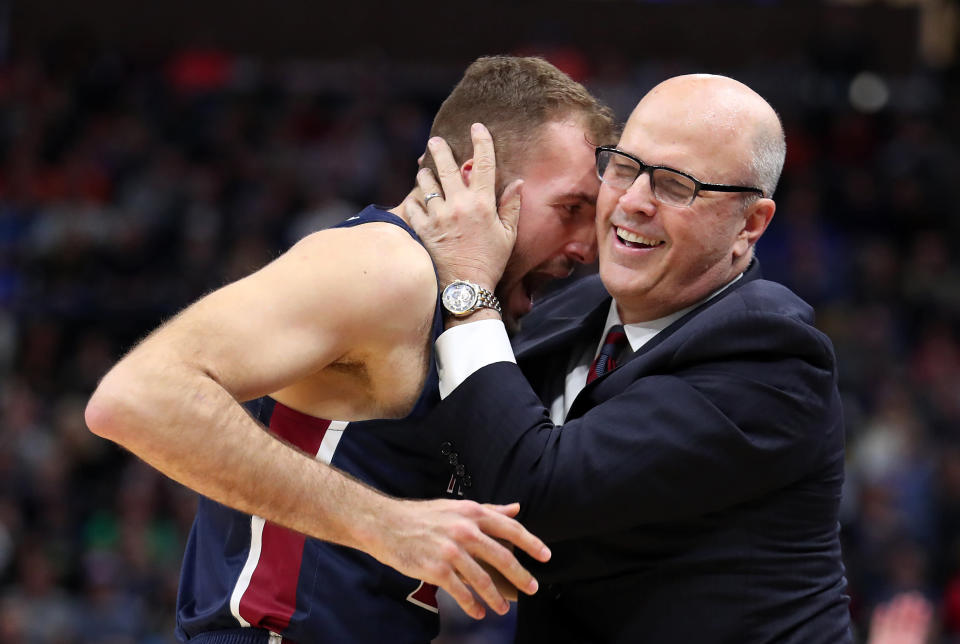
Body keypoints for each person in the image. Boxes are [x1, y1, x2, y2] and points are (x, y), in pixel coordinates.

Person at [84, 56, 617, 643]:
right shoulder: (386, 267)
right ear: (476, 181)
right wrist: (386, 524)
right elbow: (137, 397)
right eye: (570, 210)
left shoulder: (474, 309)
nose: (584, 248)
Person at [408, 73, 852, 642]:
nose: (633, 202)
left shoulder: (772, 357)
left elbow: (534, 491)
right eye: (623, 167)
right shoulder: (576, 308)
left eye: (674, 185)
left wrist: (468, 284)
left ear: (750, 225)